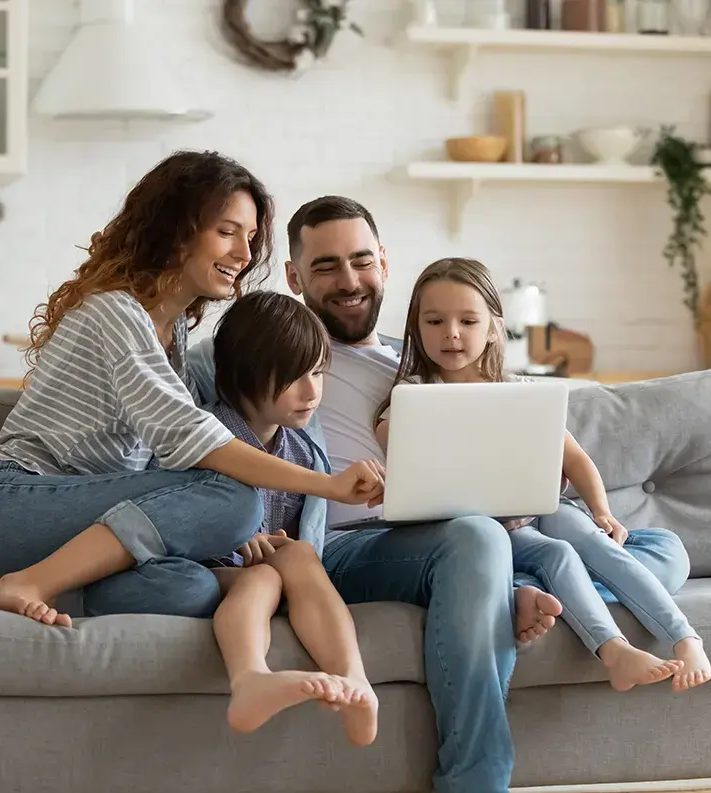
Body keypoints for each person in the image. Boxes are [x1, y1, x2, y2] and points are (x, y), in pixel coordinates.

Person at [275, 196, 693, 793]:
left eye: (361, 261)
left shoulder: (417, 358)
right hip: (358, 544)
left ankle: (507, 590)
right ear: (294, 277)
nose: (349, 280)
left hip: (474, 535)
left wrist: (555, 491)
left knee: (663, 550)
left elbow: (546, 451)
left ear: (384, 264)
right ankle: (476, 777)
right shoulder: (283, 356)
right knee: (481, 537)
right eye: (325, 266)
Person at [0, 152, 384, 628]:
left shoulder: (174, 336)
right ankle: (26, 585)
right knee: (236, 500)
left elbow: (168, 463)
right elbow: (194, 442)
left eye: (250, 237)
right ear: (177, 231)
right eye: (228, 232)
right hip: (7, 515)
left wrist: (219, 531)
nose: (245, 253)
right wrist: (330, 485)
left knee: (192, 587)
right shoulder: (116, 313)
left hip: (78, 535)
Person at [373, 256, 709, 695]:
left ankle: (686, 639)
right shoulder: (413, 397)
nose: (451, 333)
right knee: (558, 555)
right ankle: (613, 650)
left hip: (538, 510)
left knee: (595, 540)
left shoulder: (520, 391)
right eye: (434, 321)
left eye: (467, 321)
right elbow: (395, 449)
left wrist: (602, 512)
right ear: (416, 328)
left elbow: (577, 460)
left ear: (493, 327)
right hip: (482, 532)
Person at [168, 290, 377, 745]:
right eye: (293, 378)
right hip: (210, 570)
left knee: (300, 556)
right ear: (244, 376)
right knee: (262, 578)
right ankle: (251, 678)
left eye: (318, 372)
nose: (312, 391)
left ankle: (355, 681)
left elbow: (301, 537)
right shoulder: (207, 437)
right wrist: (231, 535)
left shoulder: (302, 450)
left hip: (280, 574)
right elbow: (173, 512)